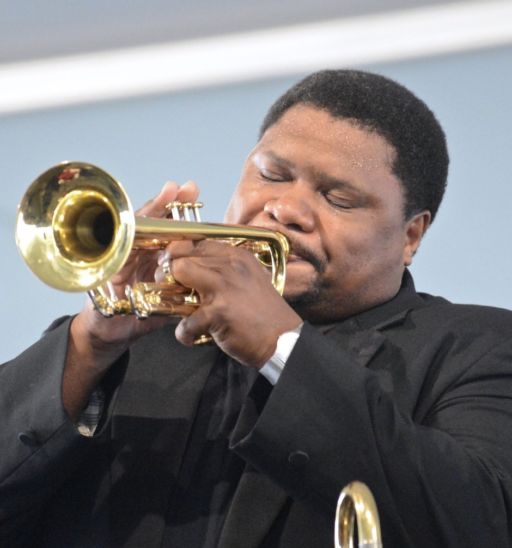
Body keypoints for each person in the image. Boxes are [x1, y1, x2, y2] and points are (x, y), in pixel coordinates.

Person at [1, 69, 512, 548]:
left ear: (411, 236)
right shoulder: (115, 349)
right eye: (271, 174)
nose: (285, 209)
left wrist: (280, 346)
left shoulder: (477, 349)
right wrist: (90, 343)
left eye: (338, 198)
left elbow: (473, 523)